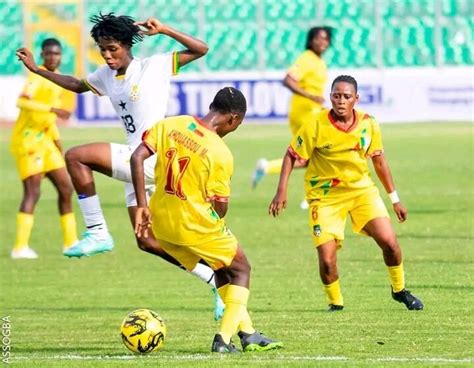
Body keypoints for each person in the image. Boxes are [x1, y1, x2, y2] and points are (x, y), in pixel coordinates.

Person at [16, 13, 225, 320]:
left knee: (75, 156)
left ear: (127, 45)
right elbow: (76, 84)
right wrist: (37, 70)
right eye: (102, 49)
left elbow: (201, 49)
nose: (107, 55)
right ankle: (216, 282)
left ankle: (98, 231)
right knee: (147, 241)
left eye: (112, 48)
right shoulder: (105, 75)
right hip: (135, 163)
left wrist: (165, 29)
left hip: (153, 157)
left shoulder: (153, 66)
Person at [131, 87, 283, 353]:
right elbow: (221, 207)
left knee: (222, 269)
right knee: (241, 269)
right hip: (195, 225)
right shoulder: (219, 152)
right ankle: (222, 340)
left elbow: (137, 157)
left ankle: (248, 333)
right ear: (234, 119)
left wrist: (142, 205)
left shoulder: (171, 124)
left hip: (162, 225)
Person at [269, 75, 424, 312]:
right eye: (336, 96)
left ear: (356, 99)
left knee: (390, 243)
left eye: (346, 97)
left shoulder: (368, 123)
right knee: (327, 259)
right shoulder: (316, 124)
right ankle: (336, 304)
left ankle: (400, 290)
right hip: (325, 198)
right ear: (331, 96)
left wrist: (395, 199)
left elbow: (380, 162)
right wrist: (281, 191)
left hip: (362, 192)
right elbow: (292, 154)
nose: (341, 101)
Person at [10, 38, 77, 259]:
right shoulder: (36, 76)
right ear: (42, 55)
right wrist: (53, 109)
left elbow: (48, 118)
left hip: (46, 142)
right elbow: (21, 102)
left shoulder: (56, 81)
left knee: (66, 189)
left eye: (56, 54)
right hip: (28, 142)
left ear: (60, 56)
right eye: (48, 54)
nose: (52, 57)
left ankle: (71, 243)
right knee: (33, 191)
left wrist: (57, 141)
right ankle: (20, 247)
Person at [253, 26, 331, 210]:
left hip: (311, 110)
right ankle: (313, 196)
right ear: (311, 40)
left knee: (308, 158)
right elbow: (287, 80)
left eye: (326, 39)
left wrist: (318, 102)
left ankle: (266, 167)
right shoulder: (306, 59)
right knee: (322, 153)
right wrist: (311, 97)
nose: (322, 42)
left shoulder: (318, 61)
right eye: (319, 38)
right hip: (305, 112)